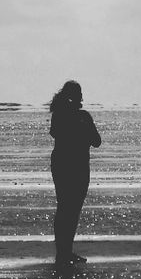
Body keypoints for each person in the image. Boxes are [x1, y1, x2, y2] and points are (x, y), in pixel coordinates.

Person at [48, 79, 101, 266]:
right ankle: (64, 251)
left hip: (68, 164)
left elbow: (96, 141)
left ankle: (64, 251)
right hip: (72, 165)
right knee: (68, 208)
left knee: (66, 208)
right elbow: (94, 140)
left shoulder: (68, 115)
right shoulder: (77, 116)